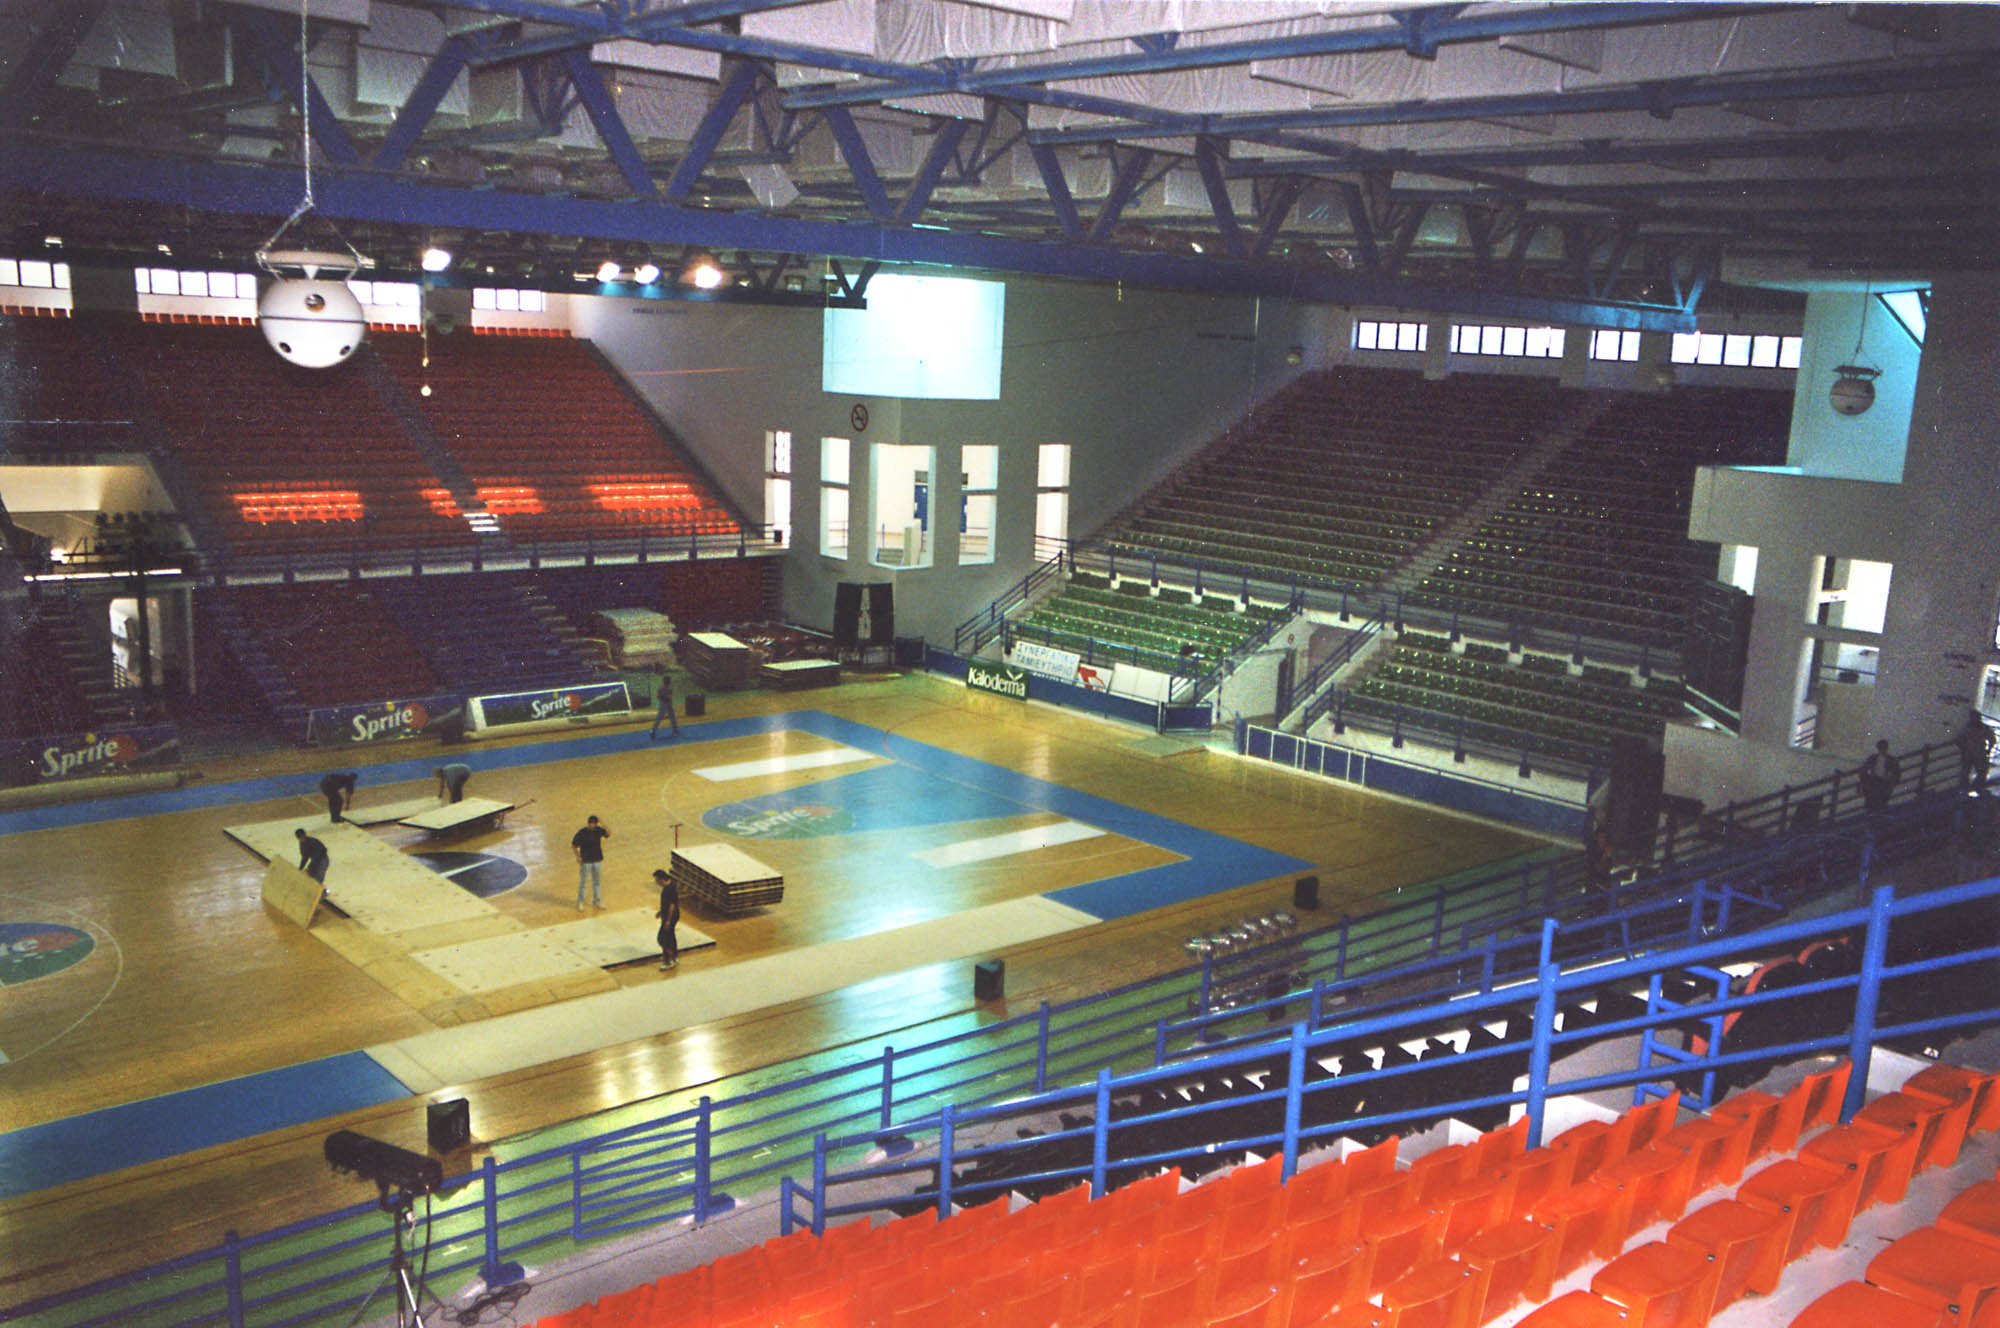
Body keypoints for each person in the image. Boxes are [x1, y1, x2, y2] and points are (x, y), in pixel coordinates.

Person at [572, 815, 610, 909]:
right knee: (584, 882)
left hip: (597, 860)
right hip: (586, 861)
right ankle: (580, 902)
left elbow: (608, 833)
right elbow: (574, 845)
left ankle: (597, 901)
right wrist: (578, 857)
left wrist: (602, 822)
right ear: (588, 823)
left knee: (597, 881)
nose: (593, 825)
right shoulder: (582, 832)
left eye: (594, 824)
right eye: (591, 824)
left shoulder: (599, 830)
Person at [1957, 710, 1994, 794]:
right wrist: (1989, 749)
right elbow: (1992, 739)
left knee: (1968, 771)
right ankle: (1975, 787)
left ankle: (1967, 788)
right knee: (1978, 771)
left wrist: (1963, 748)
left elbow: (1959, 739)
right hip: (1977, 752)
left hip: (1971, 752)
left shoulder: (1967, 727)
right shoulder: (1983, 727)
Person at [1860, 739, 1900, 813]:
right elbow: (1864, 769)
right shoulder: (1872, 758)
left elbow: (1897, 773)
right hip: (1874, 782)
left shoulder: (1891, 760)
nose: (1882, 750)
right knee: (1871, 800)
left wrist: (1891, 780)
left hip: (1885, 783)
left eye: (1884, 748)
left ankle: (1879, 814)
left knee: (1882, 800)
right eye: (1881, 748)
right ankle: (1872, 814)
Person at [654, 869, 680, 970]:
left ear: (661, 879)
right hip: (669, 916)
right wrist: (660, 912)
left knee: (662, 938)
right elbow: (667, 903)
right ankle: (674, 956)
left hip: (670, 917)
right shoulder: (669, 887)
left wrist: (668, 920)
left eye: (657, 880)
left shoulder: (670, 889)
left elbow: (672, 905)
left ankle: (668, 960)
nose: (656, 883)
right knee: (671, 937)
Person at [649, 667, 680, 740]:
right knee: (660, 717)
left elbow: (661, 696)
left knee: (672, 716)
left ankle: (675, 730)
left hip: (667, 703)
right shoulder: (665, 688)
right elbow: (660, 696)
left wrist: (667, 699)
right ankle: (653, 731)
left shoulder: (666, 688)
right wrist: (665, 698)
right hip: (664, 704)